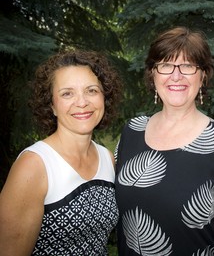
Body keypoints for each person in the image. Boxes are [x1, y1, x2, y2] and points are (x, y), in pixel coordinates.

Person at [115, 26, 214, 256]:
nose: (176, 76)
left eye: (187, 66)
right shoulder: (131, 132)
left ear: (203, 74)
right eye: (166, 65)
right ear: (153, 73)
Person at [0, 50, 123, 255]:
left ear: (104, 97)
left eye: (91, 90)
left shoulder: (107, 158)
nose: (82, 102)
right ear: (52, 106)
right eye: (67, 93)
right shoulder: (35, 165)